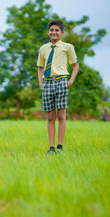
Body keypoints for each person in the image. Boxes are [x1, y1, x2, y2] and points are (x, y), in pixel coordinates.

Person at [37, 20, 79, 155]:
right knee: (50, 116)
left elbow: (75, 65)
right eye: (51, 30)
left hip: (61, 81)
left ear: (62, 32)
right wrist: (41, 83)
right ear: (48, 32)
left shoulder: (68, 47)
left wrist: (71, 80)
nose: (54, 32)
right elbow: (40, 67)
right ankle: (51, 147)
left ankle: (60, 147)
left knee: (61, 115)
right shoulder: (43, 48)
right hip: (47, 82)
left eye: (57, 30)